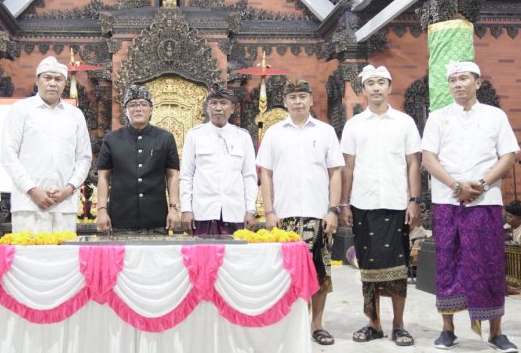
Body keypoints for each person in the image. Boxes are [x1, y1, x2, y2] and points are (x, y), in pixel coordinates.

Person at [422, 61, 520, 353]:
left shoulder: (495, 116)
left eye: (464, 78)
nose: (458, 84)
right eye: (452, 80)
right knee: (447, 263)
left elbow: (508, 155)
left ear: (478, 82)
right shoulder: (437, 118)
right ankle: (447, 329)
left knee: (488, 263)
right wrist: (455, 186)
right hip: (447, 202)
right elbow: (429, 158)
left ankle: (496, 332)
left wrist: (482, 184)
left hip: (485, 202)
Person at [256, 79, 344, 346]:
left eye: (302, 96)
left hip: (319, 214)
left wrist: (333, 209)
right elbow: (266, 175)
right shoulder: (274, 133)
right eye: (292, 97)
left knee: (320, 271)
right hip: (285, 216)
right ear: (285, 101)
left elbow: (335, 172)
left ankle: (316, 324)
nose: (297, 101)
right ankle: (291, 324)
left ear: (310, 100)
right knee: (287, 273)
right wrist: (269, 212)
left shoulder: (326, 131)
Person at [340, 65, 421, 347]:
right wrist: (344, 202)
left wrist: (414, 200)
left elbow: (414, 163)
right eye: (370, 83)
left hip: (397, 203)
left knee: (398, 267)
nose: (375, 88)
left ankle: (399, 325)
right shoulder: (353, 125)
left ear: (389, 87)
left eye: (381, 83)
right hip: (363, 204)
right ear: (363, 90)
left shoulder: (404, 122)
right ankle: (373, 323)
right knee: (368, 268)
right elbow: (347, 168)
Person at [1, 56, 92, 233]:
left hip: (64, 205)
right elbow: (8, 155)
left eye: (58, 79)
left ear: (65, 83)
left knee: (64, 258)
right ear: (37, 80)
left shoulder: (75, 115)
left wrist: (69, 188)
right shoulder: (21, 110)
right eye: (47, 78)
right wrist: (32, 189)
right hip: (28, 204)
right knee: (28, 258)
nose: (52, 83)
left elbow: (84, 158)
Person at [95, 84, 181, 233]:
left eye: (143, 104)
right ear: (126, 111)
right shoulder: (112, 139)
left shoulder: (165, 138)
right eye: (133, 105)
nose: (138, 109)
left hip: (156, 219)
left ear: (151, 109)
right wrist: (102, 210)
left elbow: (172, 175)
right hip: (121, 218)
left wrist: (174, 208)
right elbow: (103, 177)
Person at [180, 84, 257, 235]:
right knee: (203, 258)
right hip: (203, 212)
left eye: (223, 103)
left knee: (235, 257)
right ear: (207, 108)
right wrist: (186, 209)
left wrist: (251, 210)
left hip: (235, 212)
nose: (218, 108)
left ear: (232, 108)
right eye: (213, 103)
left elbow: (249, 176)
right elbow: (186, 176)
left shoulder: (242, 137)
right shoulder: (195, 135)